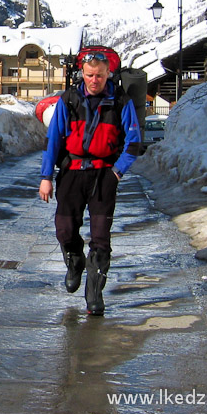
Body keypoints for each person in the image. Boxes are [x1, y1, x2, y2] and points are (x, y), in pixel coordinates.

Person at [38, 52, 141, 316]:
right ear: (82, 74)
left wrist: (117, 172)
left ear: (108, 74)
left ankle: (94, 294)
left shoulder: (120, 101)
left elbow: (134, 142)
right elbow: (54, 141)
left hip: (103, 174)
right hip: (72, 172)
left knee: (101, 237)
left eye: (100, 75)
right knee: (65, 229)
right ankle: (75, 261)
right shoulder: (69, 99)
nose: (94, 80)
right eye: (89, 75)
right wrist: (46, 177)